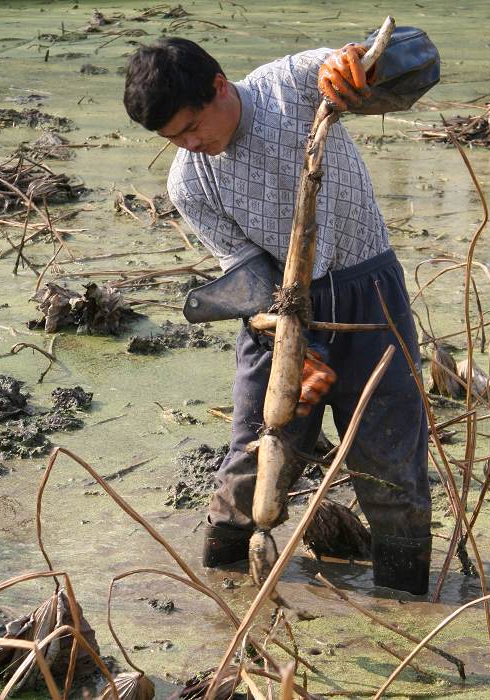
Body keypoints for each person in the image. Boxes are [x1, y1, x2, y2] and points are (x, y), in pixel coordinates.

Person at [124, 34, 436, 595]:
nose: (189, 144)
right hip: (277, 314)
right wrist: (287, 348)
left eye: (192, 127)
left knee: (391, 461)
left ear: (219, 87)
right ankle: (224, 590)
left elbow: (418, 58)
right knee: (252, 456)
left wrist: (368, 67)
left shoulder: (293, 84)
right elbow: (248, 274)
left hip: (368, 293)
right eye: (174, 138)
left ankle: (404, 597)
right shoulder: (189, 181)